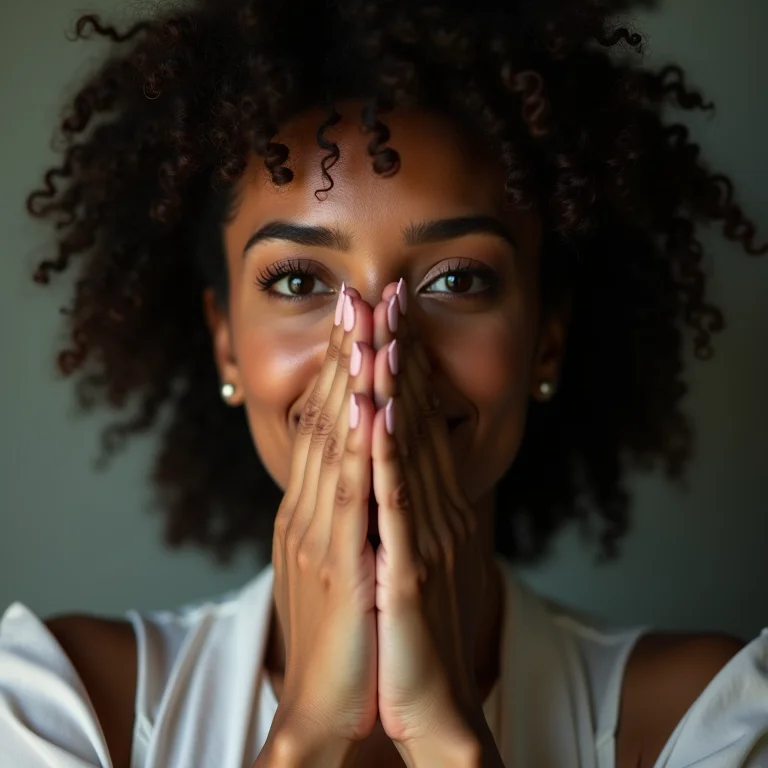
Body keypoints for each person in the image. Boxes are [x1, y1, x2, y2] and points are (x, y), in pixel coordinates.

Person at [1, 0, 766, 765]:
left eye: (458, 279)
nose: (376, 351)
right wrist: (304, 734)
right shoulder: (57, 703)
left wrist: (447, 737)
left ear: (546, 342)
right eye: (300, 281)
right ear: (226, 342)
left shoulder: (711, 714)